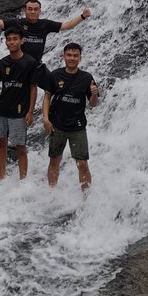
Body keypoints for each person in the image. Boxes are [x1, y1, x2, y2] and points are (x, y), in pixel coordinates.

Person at [0, 26, 39, 181]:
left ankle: (23, 180)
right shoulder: (3, 63)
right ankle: (1, 176)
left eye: (15, 39)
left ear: (22, 41)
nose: (11, 42)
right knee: (1, 143)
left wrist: (30, 111)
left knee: (20, 147)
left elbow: (33, 88)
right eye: (9, 40)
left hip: (19, 112)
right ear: (6, 42)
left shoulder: (30, 62)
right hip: (1, 110)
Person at [0, 0, 92, 83]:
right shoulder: (17, 23)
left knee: (53, 84)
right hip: (19, 66)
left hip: (37, 66)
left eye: (36, 9)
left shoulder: (45, 24)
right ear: (25, 10)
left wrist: (82, 16)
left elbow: (67, 25)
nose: (33, 12)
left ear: (39, 11)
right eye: (30, 9)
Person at [42, 42, 99, 192]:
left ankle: (86, 197)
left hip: (77, 127)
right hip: (57, 125)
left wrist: (93, 94)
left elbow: (93, 104)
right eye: (69, 55)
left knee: (82, 164)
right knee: (54, 160)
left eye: (75, 56)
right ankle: (51, 193)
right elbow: (47, 97)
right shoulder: (55, 75)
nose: (72, 58)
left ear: (80, 58)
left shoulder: (87, 78)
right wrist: (45, 119)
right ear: (64, 56)